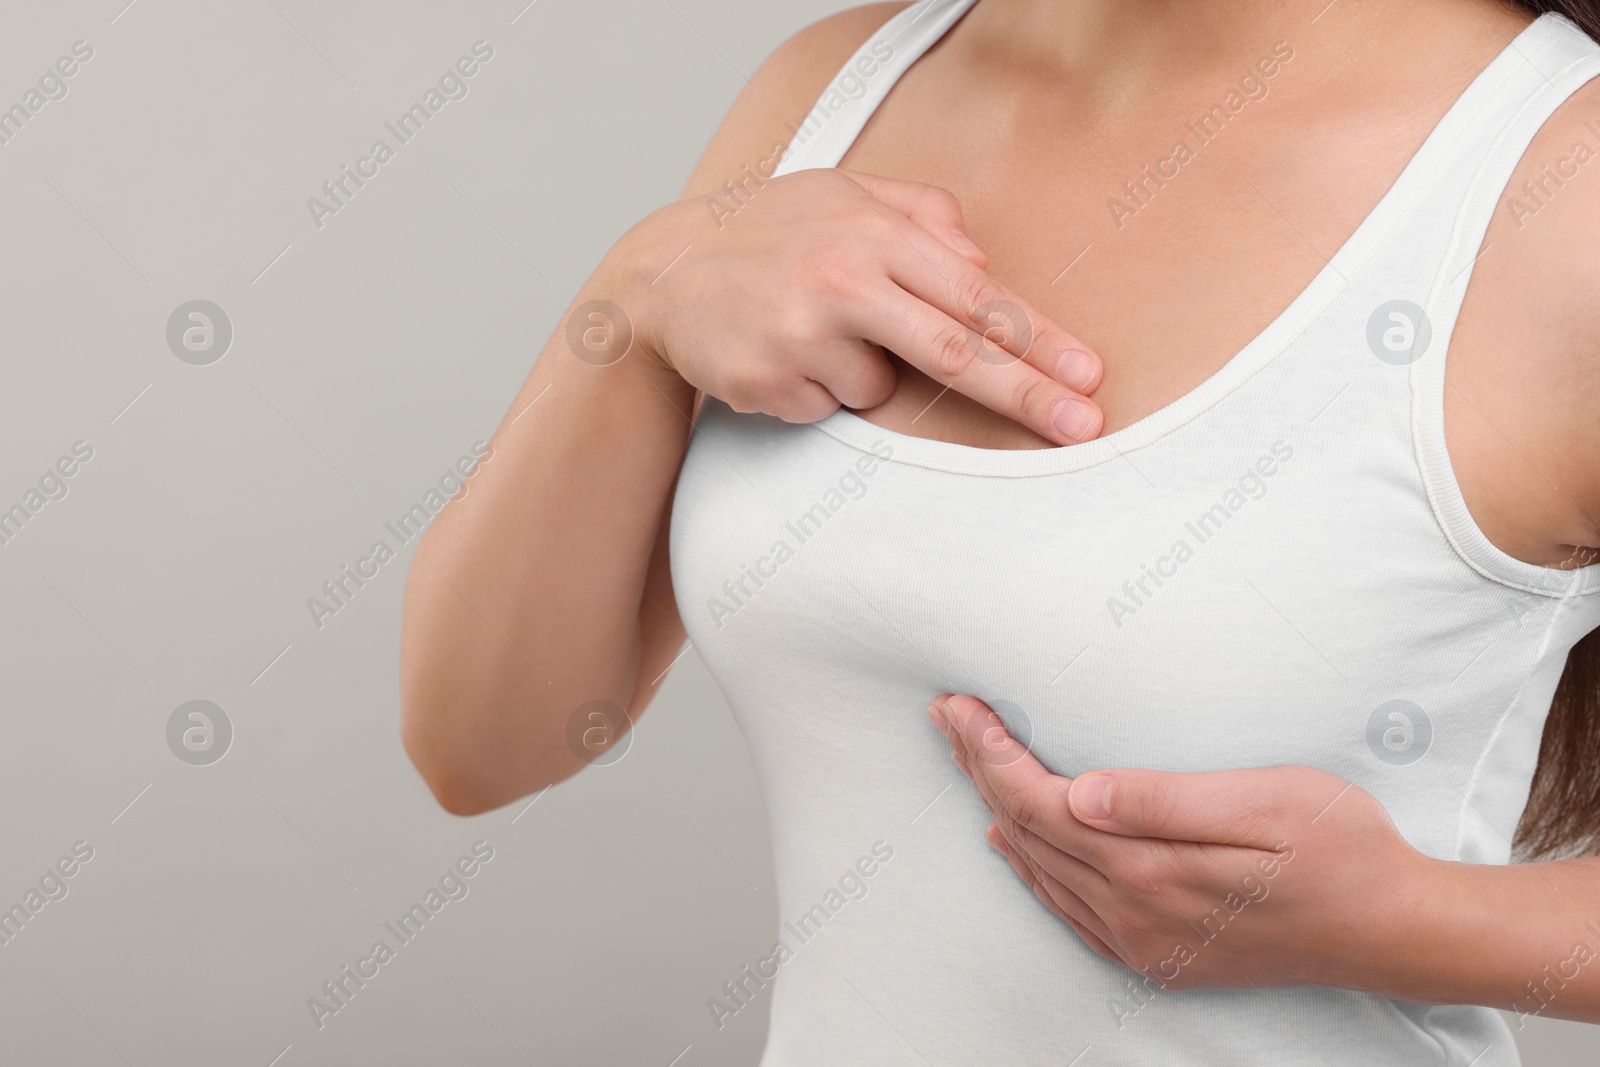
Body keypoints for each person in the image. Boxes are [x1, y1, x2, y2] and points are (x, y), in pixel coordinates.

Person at [400, 0, 1600, 1060]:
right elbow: (483, 743)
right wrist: (637, 296)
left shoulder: (1564, 189)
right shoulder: (834, 88)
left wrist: (1405, 925)